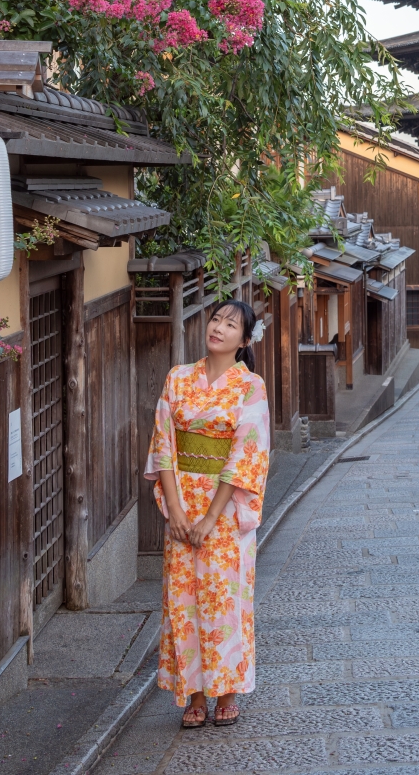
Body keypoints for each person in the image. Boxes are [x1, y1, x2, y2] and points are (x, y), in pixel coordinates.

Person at [145, 298, 270, 728]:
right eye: (215, 319)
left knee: (224, 599)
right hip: (181, 501)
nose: (218, 327)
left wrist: (211, 518)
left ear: (244, 340)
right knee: (184, 601)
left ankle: (226, 692)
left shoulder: (249, 386)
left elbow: (244, 456)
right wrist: (176, 511)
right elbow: (164, 444)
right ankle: (194, 693)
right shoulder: (178, 378)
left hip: (226, 509)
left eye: (230, 324)